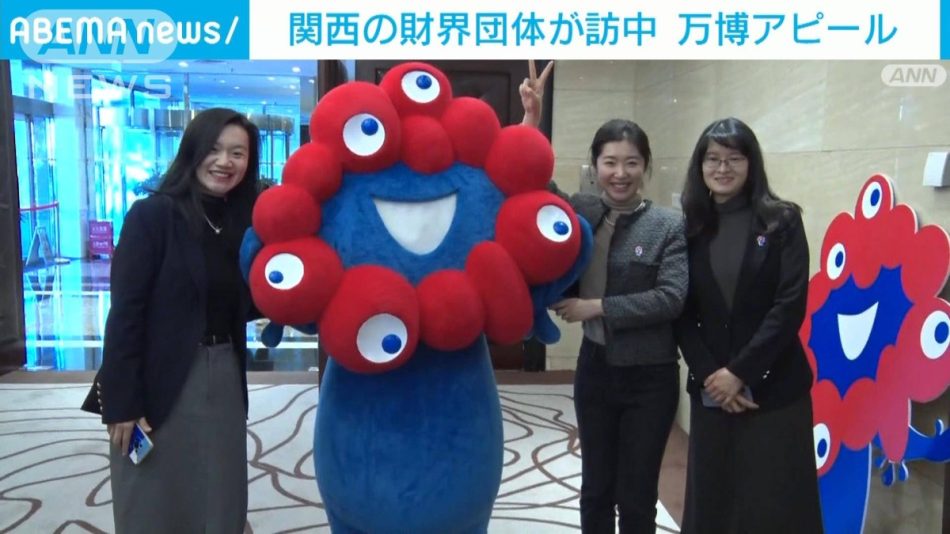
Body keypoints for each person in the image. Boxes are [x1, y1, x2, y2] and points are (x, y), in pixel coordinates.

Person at [522, 62, 689, 534]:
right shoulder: (580, 211)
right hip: (595, 370)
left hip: (651, 376)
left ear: (645, 167)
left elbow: (671, 298)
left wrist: (595, 307)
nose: (620, 173)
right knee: (595, 489)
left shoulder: (668, 225)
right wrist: (531, 119)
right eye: (610, 162)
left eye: (631, 162)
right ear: (594, 166)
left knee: (636, 495)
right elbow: (528, 182)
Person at [81, 107, 261, 533]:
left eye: (237, 153)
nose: (225, 161)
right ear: (192, 151)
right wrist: (122, 402)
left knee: (220, 491)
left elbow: (239, 302)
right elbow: (125, 314)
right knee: (152, 492)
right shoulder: (152, 216)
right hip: (159, 376)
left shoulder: (244, 223)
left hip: (224, 373)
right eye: (214, 149)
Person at [675, 117, 823, 533]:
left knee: (777, 504)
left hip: (776, 391)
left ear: (751, 163)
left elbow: (789, 305)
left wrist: (739, 373)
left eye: (734, 158)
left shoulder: (782, 221)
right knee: (714, 503)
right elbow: (681, 311)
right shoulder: (688, 227)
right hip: (712, 394)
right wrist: (712, 377)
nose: (722, 168)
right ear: (700, 166)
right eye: (713, 159)